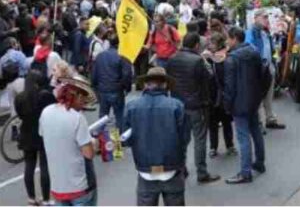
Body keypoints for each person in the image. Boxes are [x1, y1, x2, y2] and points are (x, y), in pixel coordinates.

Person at [125, 67, 187, 206]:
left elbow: (125, 138)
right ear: (165, 84)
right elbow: (184, 138)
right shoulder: (177, 106)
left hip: (145, 169)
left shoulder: (132, 106)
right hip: (172, 167)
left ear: (146, 84)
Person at [165, 33, 220, 184]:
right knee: (200, 140)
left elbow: (169, 81)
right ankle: (201, 172)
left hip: (178, 104)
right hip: (197, 105)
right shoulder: (197, 60)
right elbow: (209, 77)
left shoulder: (172, 59)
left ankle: (181, 168)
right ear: (196, 45)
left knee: (182, 140)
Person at [39, 74, 98, 206]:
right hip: (79, 186)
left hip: (57, 186)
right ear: (75, 96)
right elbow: (88, 153)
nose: (83, 102)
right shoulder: (77, 118)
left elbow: (48, 137)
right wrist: (94, 143)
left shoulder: (46, 112)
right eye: (82, 97)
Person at [224, 27, 266, 184]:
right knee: (255, 131)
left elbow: (229, 86)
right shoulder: (253, 52)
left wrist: (227, 105)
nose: (227, 41)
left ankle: (245, 172)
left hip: (239, 102)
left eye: (228, 38)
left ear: (234, 38)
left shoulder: (232, 58)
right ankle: (260, 162)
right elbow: (262, 74)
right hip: (253, 99)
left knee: (243, 137)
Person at [15, 69, 56, 206]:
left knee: (29, 165)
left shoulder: (20, 98)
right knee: (44, 166)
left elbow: (20, 115)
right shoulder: (45, 96)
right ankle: (46, 198)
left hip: (26, 133)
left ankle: (31, 197)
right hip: (43, 133)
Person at [245, 9, 286, 130]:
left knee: (269, 95)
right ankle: (258, 122)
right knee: (258, 95)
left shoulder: (266, 32)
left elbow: (271, 48)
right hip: (259, 68)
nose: (267, 19)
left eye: (267, 17)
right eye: (264, 17)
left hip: (268, 66)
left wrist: (274, 61)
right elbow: (249, 46)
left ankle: (270, 119)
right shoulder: (251, 31)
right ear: (256, 18)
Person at [203, 32, 236, 158]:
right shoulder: (206, 57)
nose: (210, 46)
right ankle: (213, 147)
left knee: (226, 121)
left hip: (223, 94)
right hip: (211, 95)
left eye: (212, 43)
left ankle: (230, 145)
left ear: (219, 44)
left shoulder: (226, 56)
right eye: (209, 43)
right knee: (213, 124)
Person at [91, 33, 133, 132]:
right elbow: (127, 75)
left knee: (102, 116)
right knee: (119, 116)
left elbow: (94, 73)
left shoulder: (100, 56)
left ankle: (100, 138)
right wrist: (126, 88)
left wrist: (95, 86)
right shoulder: (122, 57)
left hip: (103, 89)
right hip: (116, 89)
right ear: (119, 44)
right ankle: (121, 140)